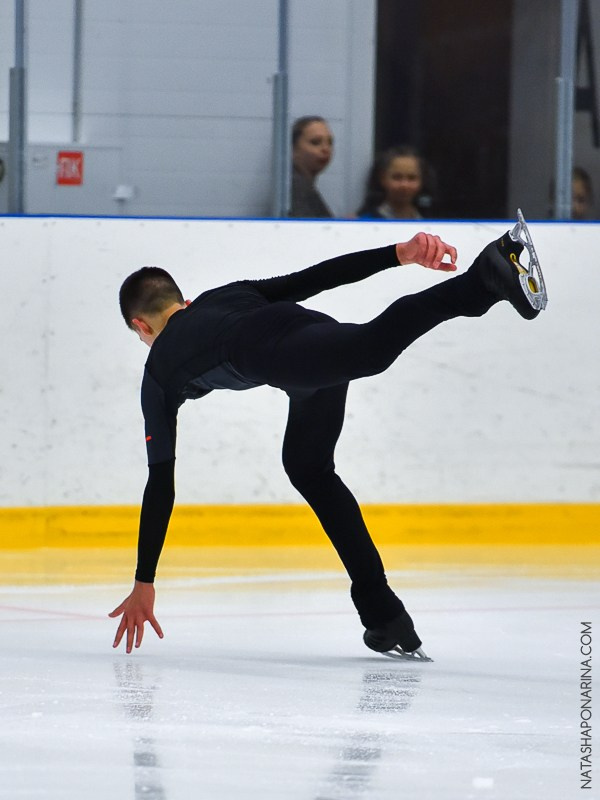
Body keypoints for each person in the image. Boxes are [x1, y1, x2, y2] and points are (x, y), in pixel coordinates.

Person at [110, 221, 546, 657]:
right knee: (307, 467)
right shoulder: (222, 296)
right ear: (183, 301)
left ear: (140, 326)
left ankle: (482, 279)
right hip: (305, 341)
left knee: (371, 350)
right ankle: (383, 614)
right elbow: (313, 279)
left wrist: (144, 580)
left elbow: (160, 482)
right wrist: (398, 253)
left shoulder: (159, 373)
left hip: (289, 355)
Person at [357, 145, 433, 220]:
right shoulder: (365, 222)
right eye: (397, 177)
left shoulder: (430, 223)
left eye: (412, 178)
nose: (404, 185)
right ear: (382, 179)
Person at [289, 116, 334, 218]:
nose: (325, 149)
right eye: (315, 142)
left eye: (330, 143)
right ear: (293, 149)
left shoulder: (303, 186)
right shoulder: (295, 189)